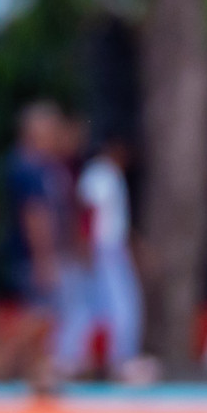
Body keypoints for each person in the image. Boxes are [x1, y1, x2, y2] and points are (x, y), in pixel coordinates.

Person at [0, 101, 73, 394]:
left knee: (42, 313)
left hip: (35, 253)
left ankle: (37, 372)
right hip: (33, 254)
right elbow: (35, 216)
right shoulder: (28, 168)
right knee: (41, 314)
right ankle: (3, 364)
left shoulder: (39, 166)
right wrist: (44, 258)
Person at [71, 136, 151, 382]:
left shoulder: (110, 174)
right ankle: (117, 361)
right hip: (102, 250)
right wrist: (86, 247)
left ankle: (107, 360)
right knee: (120, 306)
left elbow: (115, 219)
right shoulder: (100, 173)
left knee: (112, 306)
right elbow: (88, 211)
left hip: (111, 248)